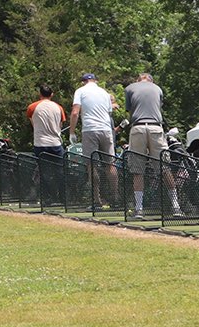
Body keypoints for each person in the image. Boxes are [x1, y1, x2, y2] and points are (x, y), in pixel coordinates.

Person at [123, 73, 182, 218]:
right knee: (164, 168)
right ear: (151, 81)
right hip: (156, 128)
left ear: (138, 80)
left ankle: (139, 209)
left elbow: (130, 110)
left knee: (138, 170)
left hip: (138, 128)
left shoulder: (130, 88)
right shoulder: (158, 89)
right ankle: (176, 207)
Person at [68, 74, 115, 207]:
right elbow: (109, 112)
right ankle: (116, 198)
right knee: (110, 164)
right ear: (95, 81)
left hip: (90, 129)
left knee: (91, 164)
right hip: (106, 130)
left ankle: (96, 200)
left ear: (83, 82)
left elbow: (75, 112)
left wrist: (71, 132)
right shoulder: (104, 93)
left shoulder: (80, 91)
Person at [27, 84, 67, 204]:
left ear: (40, 94)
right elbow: (60, 125)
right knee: (59, 171)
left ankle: (48, 198)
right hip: (55, 143)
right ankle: (62, 198)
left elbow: (33, 124)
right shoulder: (59, 108)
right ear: (52, 94)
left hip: (40, 143)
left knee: (43, 171)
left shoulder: (32, 107)